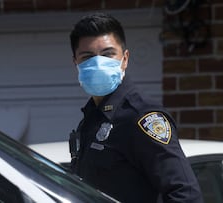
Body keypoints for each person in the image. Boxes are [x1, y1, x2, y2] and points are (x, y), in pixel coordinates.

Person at [68, 12, 203, 203]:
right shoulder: (92, 118)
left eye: (108, 54)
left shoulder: (141, 116)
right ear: (76, 62)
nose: (98, 63)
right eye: (87, 57)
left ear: (124, 59)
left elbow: (186, 194)